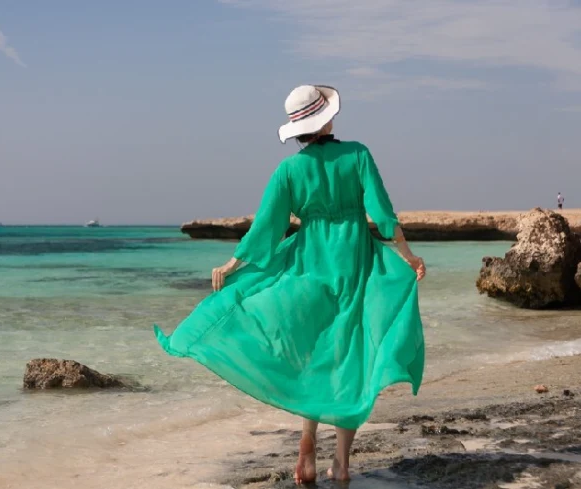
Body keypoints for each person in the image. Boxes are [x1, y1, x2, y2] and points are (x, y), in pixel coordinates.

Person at [154, 85, 426, 484]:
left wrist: (232, 264)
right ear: (328, 119)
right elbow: (382, 213)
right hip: (354, 263)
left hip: (308, 263)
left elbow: (267, 226)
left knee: (311, 350)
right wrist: (408, 256)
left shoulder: (289, 171)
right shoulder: (357, 154)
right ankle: (343, 462)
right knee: (349, 355)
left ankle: (307, 445)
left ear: (298, 129)